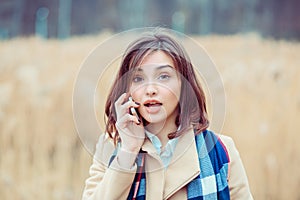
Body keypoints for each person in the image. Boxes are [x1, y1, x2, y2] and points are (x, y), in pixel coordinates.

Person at [82, 29, 253, 200]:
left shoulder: (221, 150)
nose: (150, 90)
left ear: (184, 85)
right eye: (138, 79)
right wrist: (128, 151)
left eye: (163, 77)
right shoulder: (110, 147)